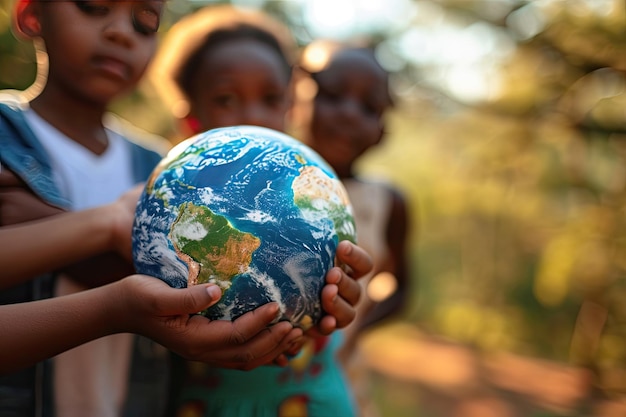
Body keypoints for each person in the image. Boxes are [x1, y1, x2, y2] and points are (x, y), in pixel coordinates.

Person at [0, 2, 371, 416]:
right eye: (95, 5)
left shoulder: (166, 168)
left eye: (145, 22)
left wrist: (306, 300)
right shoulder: (171, 176)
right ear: (31, 14)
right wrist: (111, 249)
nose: (121, 32)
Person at [150, 6, 361, 416]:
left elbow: (337, 290)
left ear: (290, 107)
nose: (252, 116)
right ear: (191, 119)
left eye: (270, 98)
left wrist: (336, 293)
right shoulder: (164, 202)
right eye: (226, 99)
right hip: (207, 402)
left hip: (313, 399)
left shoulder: (313, 197)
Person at [292, 39, 411, 417]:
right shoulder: (262, 180)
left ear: (382, 130)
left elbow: (400, 284)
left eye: (369, 106)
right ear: (293, 95)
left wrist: (355, 328)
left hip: (338, 385)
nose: (348, 114)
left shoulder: (389, 203)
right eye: (331, 93)